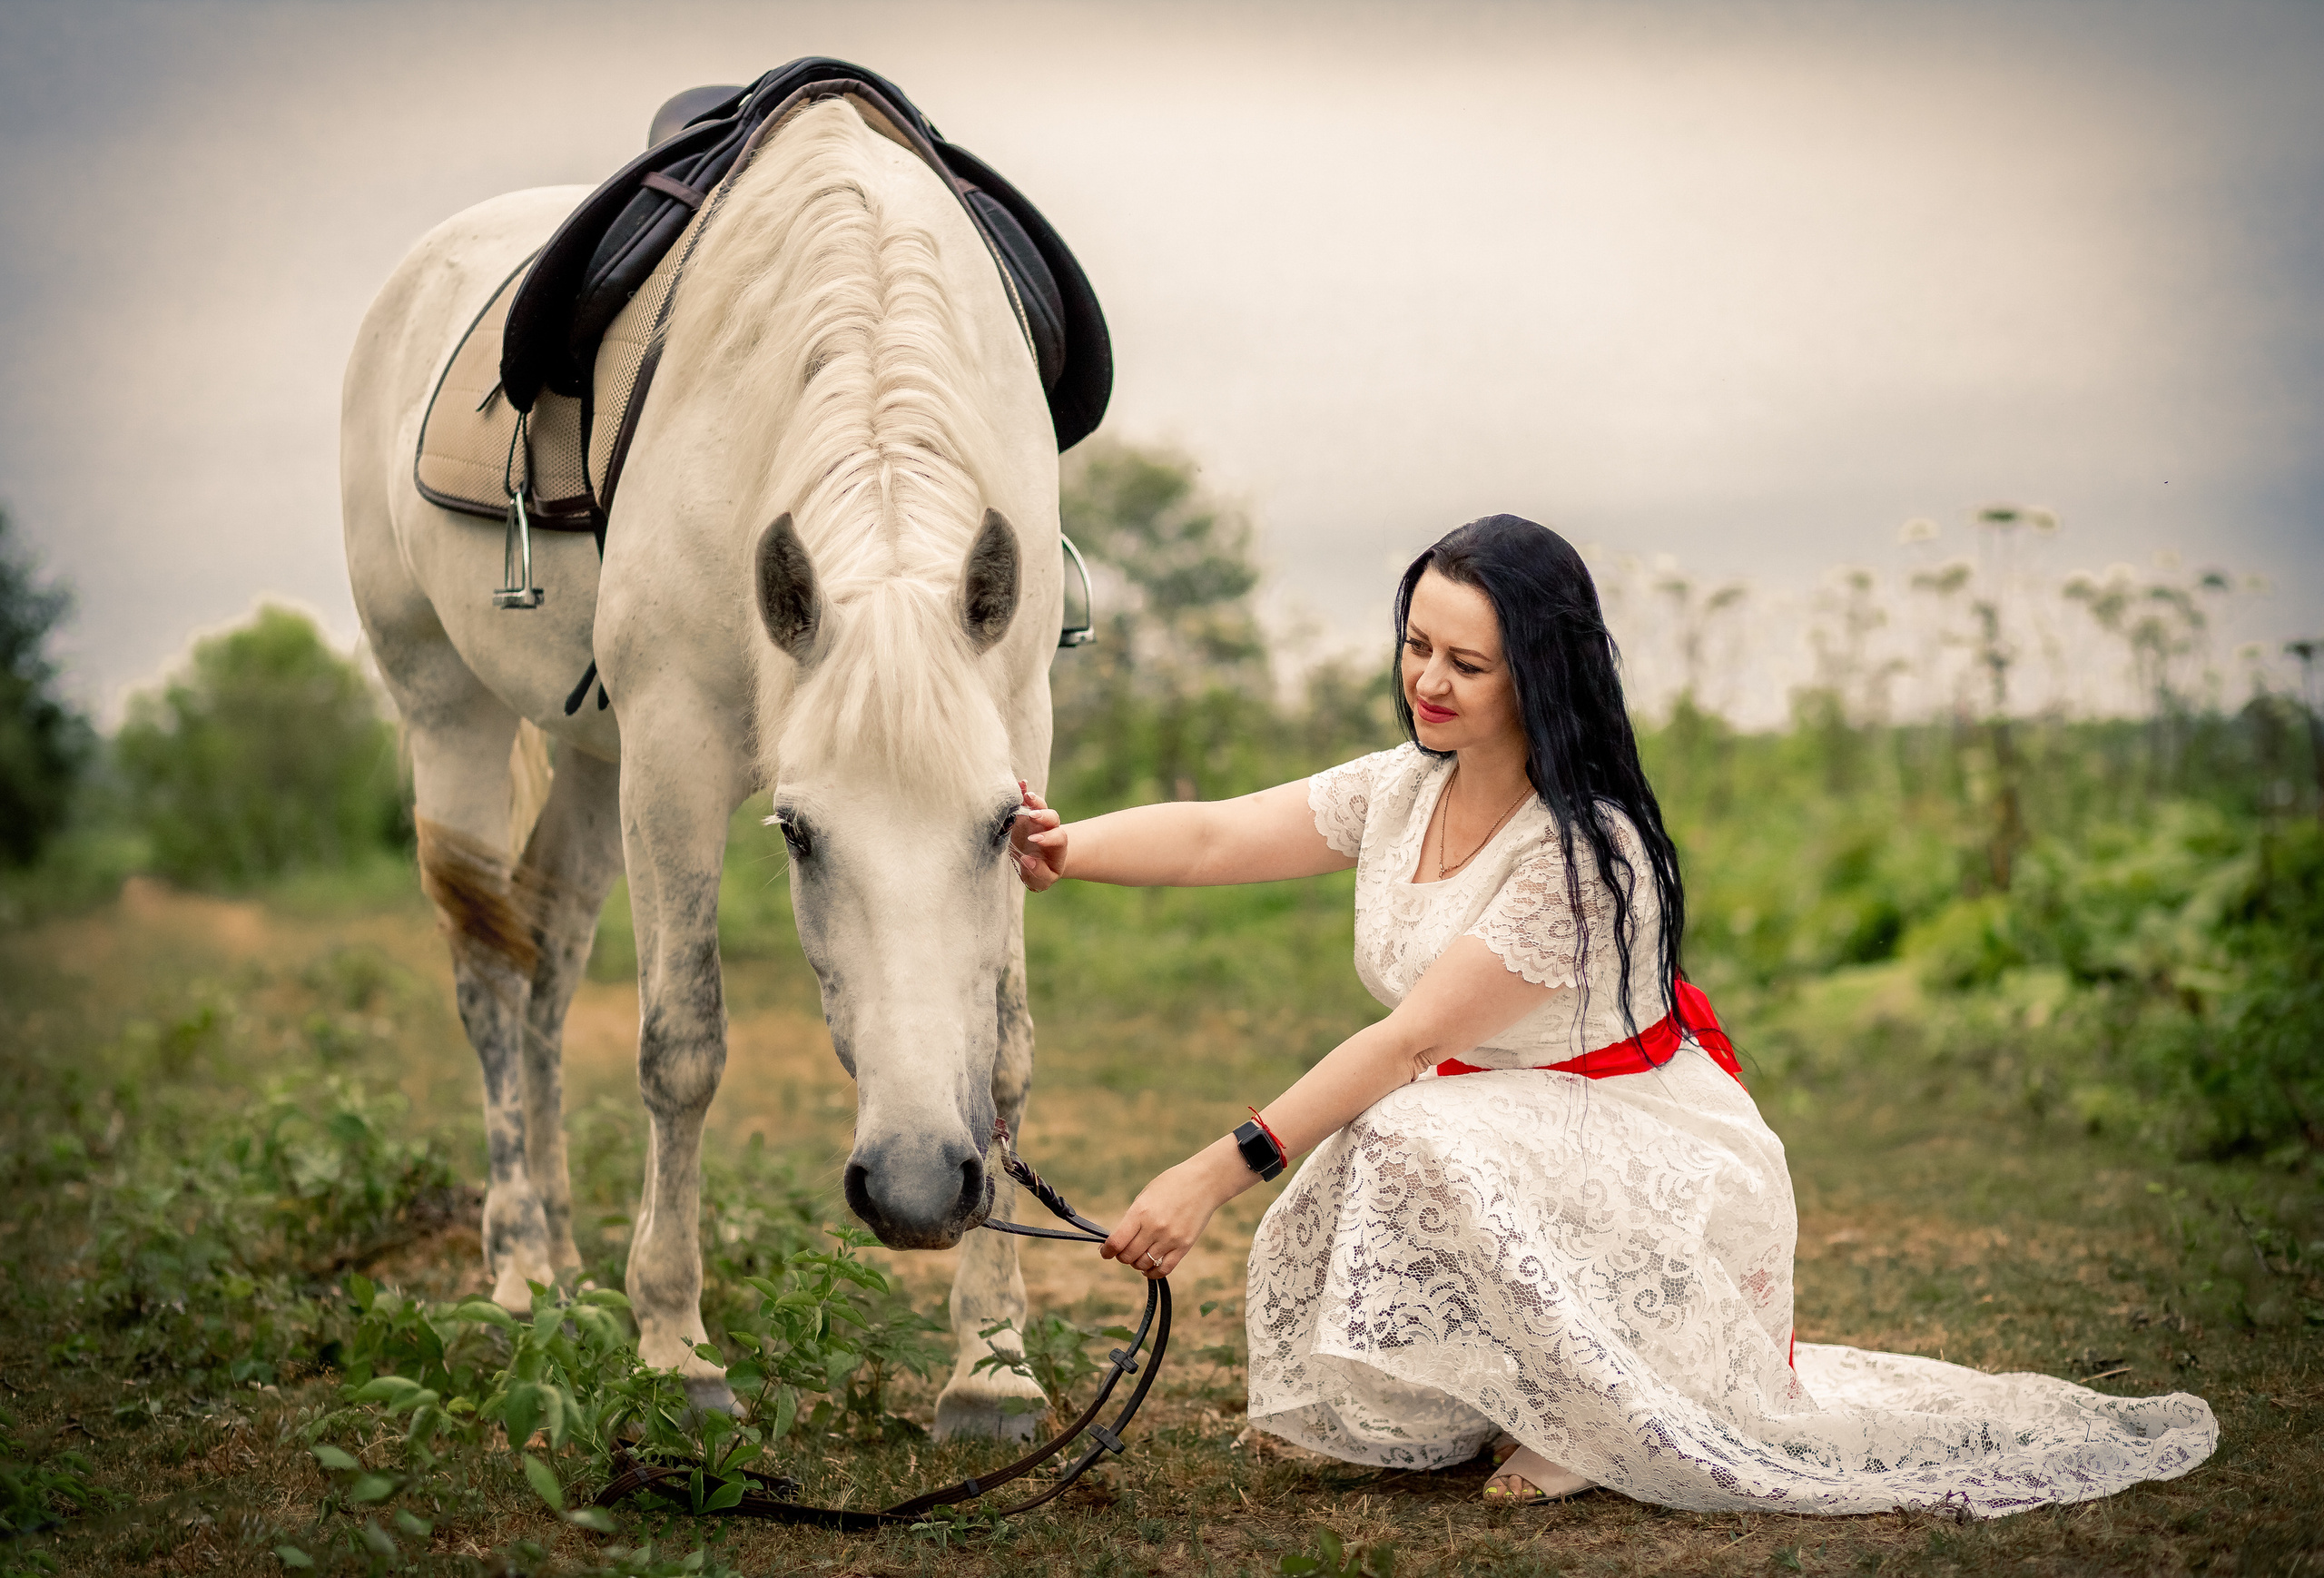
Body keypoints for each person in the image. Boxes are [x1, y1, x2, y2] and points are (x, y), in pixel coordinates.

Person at [1007, 514, 2216, 1515]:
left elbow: (1409, 1041)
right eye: (1416, 645)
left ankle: (1603, 1408)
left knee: (1402, 1120)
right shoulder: (1402, 785)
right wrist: (1070, 845)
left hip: (1641, 1149)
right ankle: (1503, 1391)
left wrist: (1213, 1173)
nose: (1426, 680)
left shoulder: (1588, 851)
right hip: (1511, 1125)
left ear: (1541, 669)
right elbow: (1219, 831)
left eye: (1465, 664)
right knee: (1399, 1132)